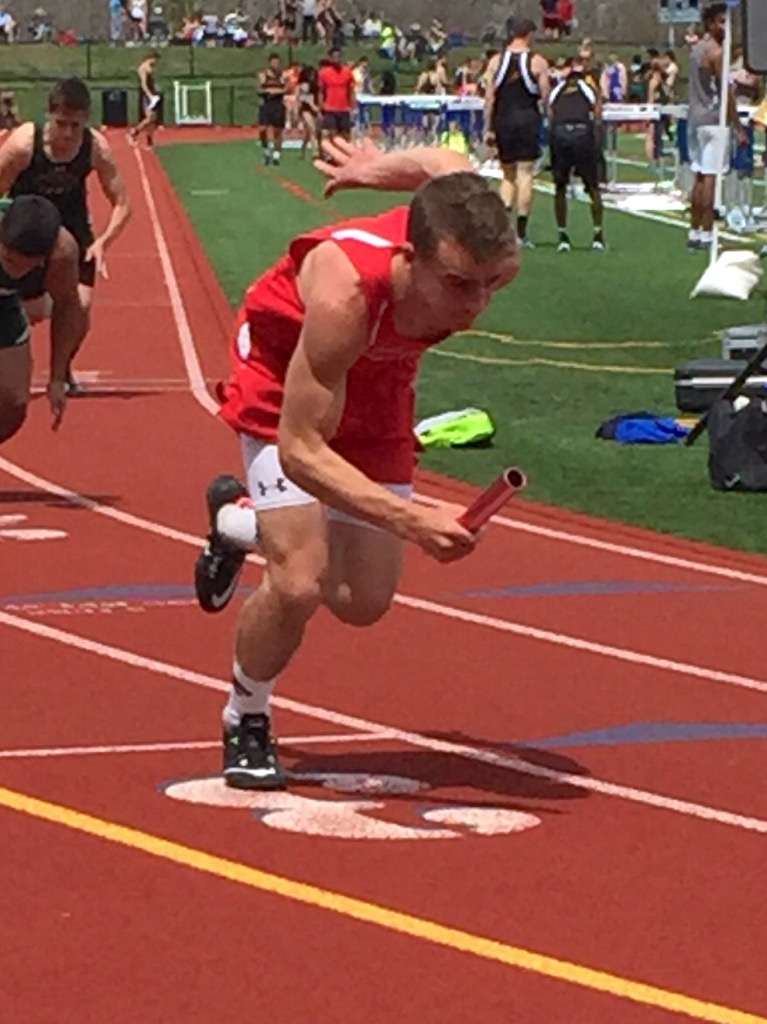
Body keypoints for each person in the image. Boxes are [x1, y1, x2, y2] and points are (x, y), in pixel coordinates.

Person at [193, 138, 520, 790]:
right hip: (292, 371)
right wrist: (410, 518)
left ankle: (237, 521)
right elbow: (302, 450)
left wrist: (372, 171)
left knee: (361, 600)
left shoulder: (473, 213)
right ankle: (246, 714)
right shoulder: (346, 291)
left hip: (381, 379)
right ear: (409, 257)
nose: (475, 305)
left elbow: (439, 165)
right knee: (298, 582)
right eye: (457, 284)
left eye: (494, 282)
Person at [0, 77, 131, 394]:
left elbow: (123, 203)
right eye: (61, 123)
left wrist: (103, 242)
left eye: (76, 124)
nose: (68, 133)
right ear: (49, 115)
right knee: (29, 310)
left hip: (73, 232)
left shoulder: (94, 147)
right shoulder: (22, 146)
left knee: (79, 311)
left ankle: (62, 370)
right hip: (27, 234)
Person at [0, 195, 86, 442]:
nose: (16, 272)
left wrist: (57, 378)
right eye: (9, 261)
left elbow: (67, 306)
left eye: (29, 266)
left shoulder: (63, 252)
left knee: (13, 404)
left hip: (4, 304)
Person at [483, 18, 550, 249]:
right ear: (528, 34)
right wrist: (548, 117)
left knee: (508, 175)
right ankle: (521, 233)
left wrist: (488, 127)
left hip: (504, 119)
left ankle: (502, 231)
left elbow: (489, 98)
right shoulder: (537, 62)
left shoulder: (496, 61)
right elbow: (545, 95)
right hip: (527, 119)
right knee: (526, 174)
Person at [686, 2, 747, 252]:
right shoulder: (715, 52)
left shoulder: (696, 50)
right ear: (710, 24)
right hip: (713, 118)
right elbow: (725, 93)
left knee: (700, 175)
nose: (725, 26)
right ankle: (708, 232)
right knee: (710, 177)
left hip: (695, 117)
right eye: (721, 21)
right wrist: (738, 125)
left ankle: (695, 229)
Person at [547, 56, 605, 252]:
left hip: (560, 134)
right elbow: (597, 105)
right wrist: (596, 129)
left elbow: (549, 109)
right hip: (581, 134)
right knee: (593, 186)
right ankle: (598, 234)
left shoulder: (558, 88)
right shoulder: (585, 86)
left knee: (560, 187)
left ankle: (562, 235)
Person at [318, 47, 355, 142]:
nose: (336, 59)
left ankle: (345, 155)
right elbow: (321, 92)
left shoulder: (347, 72)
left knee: (346, 135)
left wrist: (353, 107)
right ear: (330, 58)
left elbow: (351, 91)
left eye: (338, 57)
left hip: (344, 108)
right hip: (330, 109)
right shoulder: (324, 73)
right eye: (334, 57)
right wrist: (321, 107)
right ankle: (333, 155)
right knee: (332, 134)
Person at [257, 53, 288, 166]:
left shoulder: (283, 75)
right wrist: (267, 92)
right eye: (274, 62)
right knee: (262, 129)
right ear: (270, 63)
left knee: (277, 131)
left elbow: (287, 88)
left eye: (278, 63)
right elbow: (258, 89)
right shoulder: (263, 75)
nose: (276, 65)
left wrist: (278, 92)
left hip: (278, 104)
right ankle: (266, 151)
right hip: (266, 103)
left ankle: (276, 155)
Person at [127, 51, 162, 149]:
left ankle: (149, 141)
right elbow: (144, 84)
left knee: (153, 119)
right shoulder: (143, 68)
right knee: (149, 117)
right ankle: (134, 132)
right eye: (155, 60)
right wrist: (150, 96)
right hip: (147, 96)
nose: (155, 63)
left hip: (152, 94)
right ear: (151, 58)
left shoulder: (150, 68)